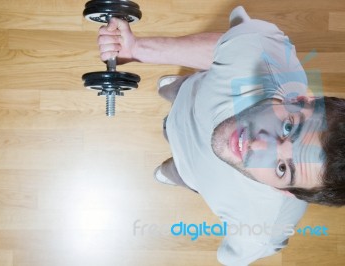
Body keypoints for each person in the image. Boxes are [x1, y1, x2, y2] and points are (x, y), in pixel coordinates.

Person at [96, 6, 345, 265]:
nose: (257, 145)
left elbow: (230, 258)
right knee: (180, 90)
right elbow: (226, 47)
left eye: (282, 168)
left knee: (177, 172)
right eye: (288, 128)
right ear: (300, 100)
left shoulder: (265, 229)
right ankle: (178, 91)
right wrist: (137, 49)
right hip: (193, 96)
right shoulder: (258, 49)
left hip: (193, 172)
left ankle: (178, 172)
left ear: (287, 193)